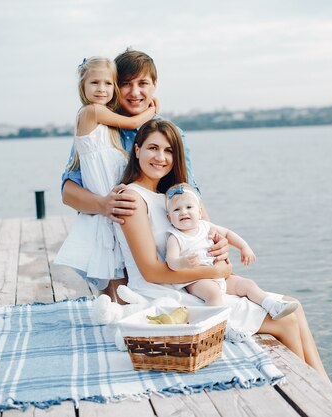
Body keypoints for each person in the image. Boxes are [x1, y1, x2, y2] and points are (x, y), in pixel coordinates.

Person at [115, 118, 329, 379]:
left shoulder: (175, 197)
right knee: (286, 321)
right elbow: (151, 272)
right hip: (163, 292)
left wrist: (223, 266)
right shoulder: (131, 197)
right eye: (153, 148)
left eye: (169, 150)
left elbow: (214, 243)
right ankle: (307, 389)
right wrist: (215, 272)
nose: (161, 157)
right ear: (137, 150)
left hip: (193, 284)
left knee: (293, 305)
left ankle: (325, 386)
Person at [60, 49, 228, 301]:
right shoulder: (98, 130)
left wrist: (211, 238)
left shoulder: (168, 134)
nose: (135, 92)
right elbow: (68, 192)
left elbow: (188, 191)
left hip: (164, 248)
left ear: (154, 85)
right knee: (118, 308)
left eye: (143, 83)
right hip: (115, 239)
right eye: (126, 84)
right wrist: (104, 204)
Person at [55, 57, 158, 293]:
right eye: (95, 83)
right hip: (103, 196)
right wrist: (151, 109)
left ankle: (118, 306)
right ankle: (115, 307)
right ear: (83, 87)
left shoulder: (105, 123)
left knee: (118, 260)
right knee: (112, 263)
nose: (102, 89)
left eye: (107, 84)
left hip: (116, 198)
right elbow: (133, 123)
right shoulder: (91, 113)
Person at [164, 182, 299, 322]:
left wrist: (243, 246)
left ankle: (272, 305)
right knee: (213, 294)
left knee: (247, 284)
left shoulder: (206, 226)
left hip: (219, 276)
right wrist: (183, 262)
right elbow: (171, 262)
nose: (183, 212)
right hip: (195, 280)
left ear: (199, 212)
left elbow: (227, 233)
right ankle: (223, 325)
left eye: (189, 207)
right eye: (177, 210)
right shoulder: (175, 237)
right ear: (169, 218)